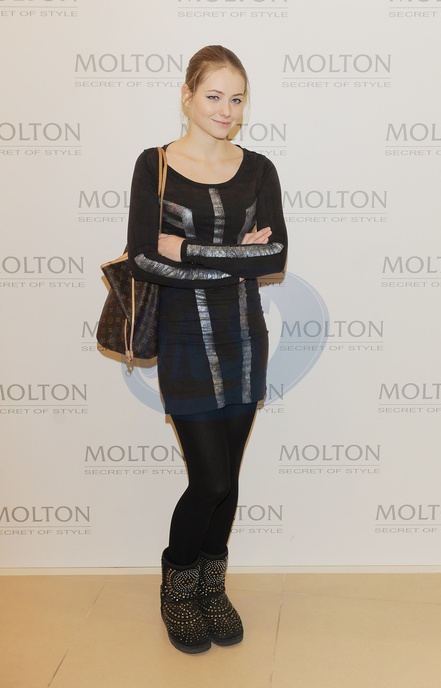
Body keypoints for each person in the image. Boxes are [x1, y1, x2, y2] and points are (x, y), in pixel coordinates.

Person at [127, 45, 287, 654]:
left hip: (245, 337)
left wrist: (188, 251)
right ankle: (177, 587)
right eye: (214, 95)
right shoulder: (154, 165)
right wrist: (236, 257)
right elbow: (144, 258)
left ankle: (212, 588)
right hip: (183, 341)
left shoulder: (260, 169)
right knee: (210, 479)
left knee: (230, 477)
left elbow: (274, 256)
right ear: (188, 95)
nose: (226, 109)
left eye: (237, 98)